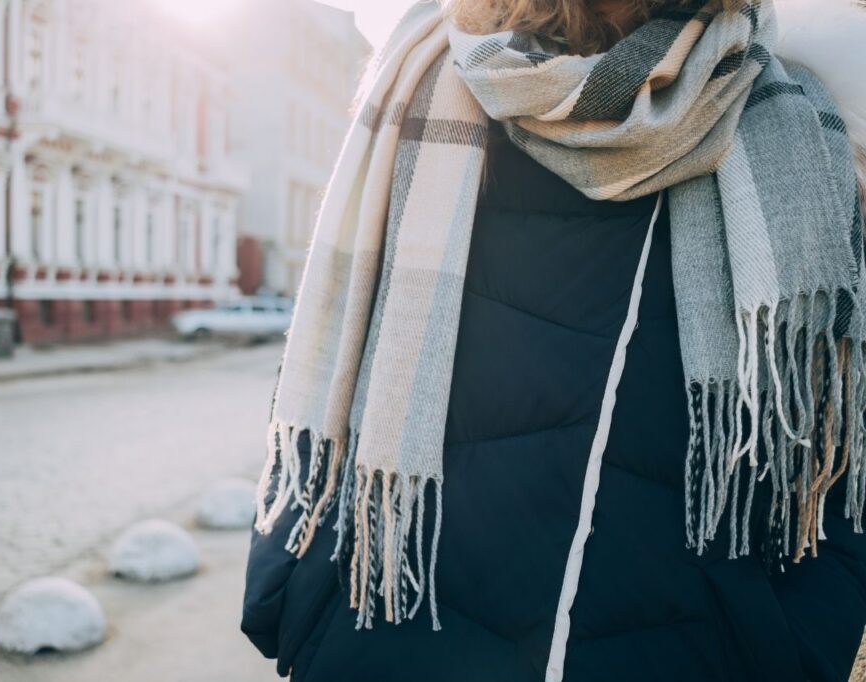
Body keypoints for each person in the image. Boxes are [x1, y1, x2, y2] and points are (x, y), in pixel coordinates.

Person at [241, 0, 866, 680]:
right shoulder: (431, 84)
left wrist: (792, 646)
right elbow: (328, 365)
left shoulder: (787, 124)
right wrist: (307, 609)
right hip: (389, 641)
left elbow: (837, 450)